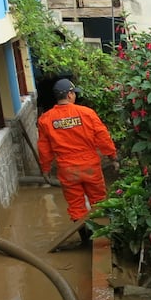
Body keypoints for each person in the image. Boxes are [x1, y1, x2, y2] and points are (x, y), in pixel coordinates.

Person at [37, 78, 117, 244]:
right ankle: (104, 236)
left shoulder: (46, 119)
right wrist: (113, 157)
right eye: (74, 93)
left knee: (76, 205)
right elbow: (103, 137)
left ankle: (86, 240)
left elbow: (44, 149)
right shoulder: (87, 113)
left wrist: (45, 170)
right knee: (99, 200)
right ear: (70, 94)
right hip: (90, 166)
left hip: (67, 169)